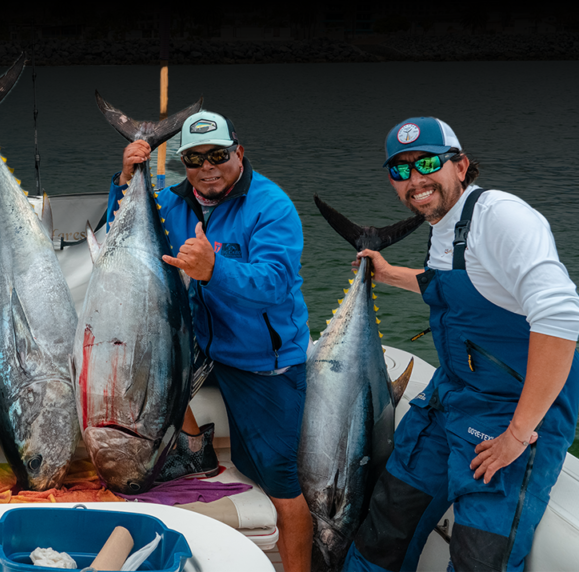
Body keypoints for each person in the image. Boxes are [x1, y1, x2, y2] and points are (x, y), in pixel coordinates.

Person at [344, 117, 579, 572]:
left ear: (461, 165)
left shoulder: (502, 217)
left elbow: (562, 316)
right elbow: (463, 288)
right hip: (449, 399)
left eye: (428, 163)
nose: (415, 180)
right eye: (400, 170)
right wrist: (389, 274)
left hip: (513, 414)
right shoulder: (445, 225)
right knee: (383, 530)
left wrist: (516, 435)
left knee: (479, 560)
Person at [111, 110, 313, 572]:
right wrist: (126, 178)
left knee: (281, 483)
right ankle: (195, 450)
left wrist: (214, 269)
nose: (207, 167)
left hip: (263, 361)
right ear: (184, 163)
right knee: (142, 358)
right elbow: (123, 230)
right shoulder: (171, 201)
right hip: (204, 346)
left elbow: (277, 282)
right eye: (195, 158)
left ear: (238, 153)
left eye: (217, 155)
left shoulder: (271, 205)